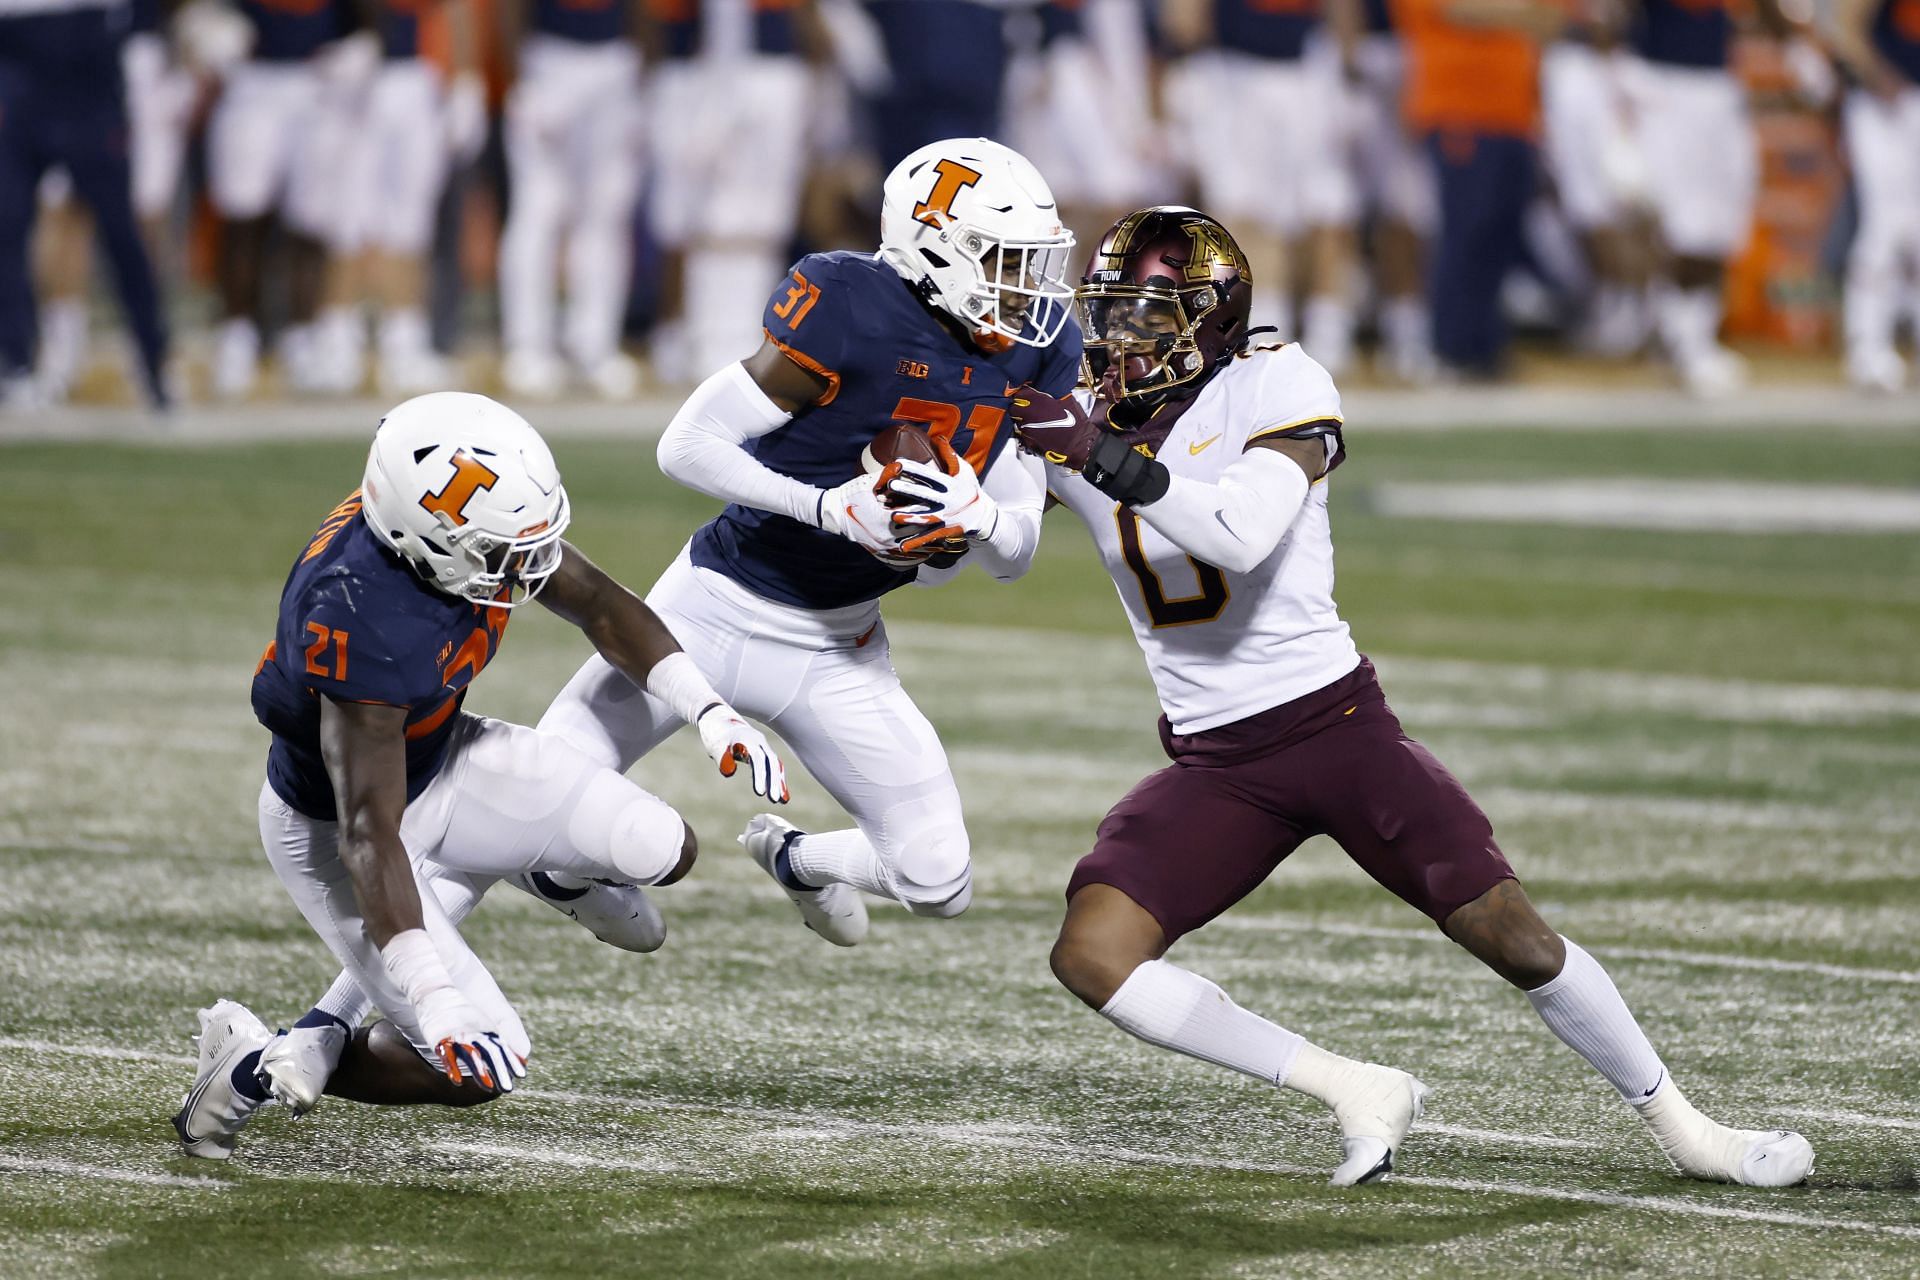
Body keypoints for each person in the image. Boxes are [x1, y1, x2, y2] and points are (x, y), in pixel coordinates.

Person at [1003, 206, 1814, 1188]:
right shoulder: (1082, 407)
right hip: (1216, 762)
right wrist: (925, 503)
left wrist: (1094, 453)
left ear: (1210, 319)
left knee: (1511, 933)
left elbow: (1241, 533)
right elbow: (999, 547)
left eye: (1146, 316)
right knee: (1093, 952)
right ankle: (1353, 1083)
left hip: (1333, 725)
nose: (1118, 341)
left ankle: (1690, 1129)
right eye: (1109, 314)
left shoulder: (1280, 380)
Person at [173, 392, 788, 1159]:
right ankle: (255, 1066)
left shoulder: (443, 526)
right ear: (420, 538)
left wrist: (708, 710)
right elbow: (371, 835)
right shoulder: (355, 612)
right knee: (480, 1063)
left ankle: (546, 872)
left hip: (445, 753)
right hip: (341, 830)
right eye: (503, 553)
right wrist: (434, 1003)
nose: (526, 570)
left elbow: (596, 601)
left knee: (662, 846)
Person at [537, 136, 1080, 947]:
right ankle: (557, 875)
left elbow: (1015, 554)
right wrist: (827, 509)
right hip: (710, 608)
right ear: (933, 247)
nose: (1024, 288)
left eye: (1030, 262)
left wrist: (982, 519)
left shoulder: (1037, 345)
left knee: (939, 879)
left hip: (839, 643)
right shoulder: (848, 303)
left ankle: (798, 860)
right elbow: (686, 445)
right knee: (541, 793)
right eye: (1003, 259)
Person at [0, 0, 170, 410]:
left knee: (120, 232)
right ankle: (16, 363)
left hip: (90, 76)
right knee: (7, 226)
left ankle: (154, 362)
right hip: (19, 75)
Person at [498, 0, 644, 400]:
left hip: (615, 59)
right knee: (539, 207)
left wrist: (641, 72)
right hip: (549, 57)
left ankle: (594, 345)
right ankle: (528, 345)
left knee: (606, 210)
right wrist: (520, 77)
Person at [1832, 0, 1920, 393]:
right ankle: (1867, 347)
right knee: (1886, 225)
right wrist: (1876, 73)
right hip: (1885, 105)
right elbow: (1845, 23)